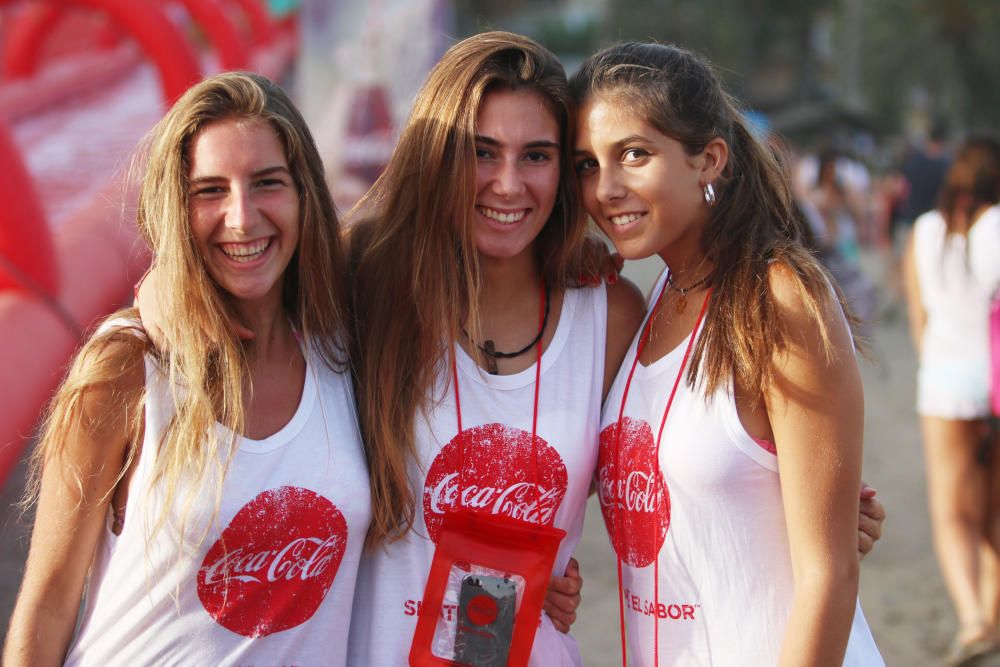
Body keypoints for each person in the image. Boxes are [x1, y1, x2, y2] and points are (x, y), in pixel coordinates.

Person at [2, 72, 371, 666]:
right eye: (210, 190)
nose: (242, 218)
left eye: (267, 183)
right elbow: (47, 601)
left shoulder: (346, 352)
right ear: (176, 207)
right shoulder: (130, 364)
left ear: (305, 193)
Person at [571, 42, 884, 665]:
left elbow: (829, 577)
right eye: (586, 164)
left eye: (634, 154)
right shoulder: (653, 300)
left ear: (709, 159)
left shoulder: (780, 296)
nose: (605, 188)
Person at [903, 137, 1000, 666]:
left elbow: (919, 315)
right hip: (998, 383)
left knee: (951, 512)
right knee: (994, 512)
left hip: (945, 383)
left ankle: (973, 620)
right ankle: (990, 611)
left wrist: (933, 364)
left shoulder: (924, 231)